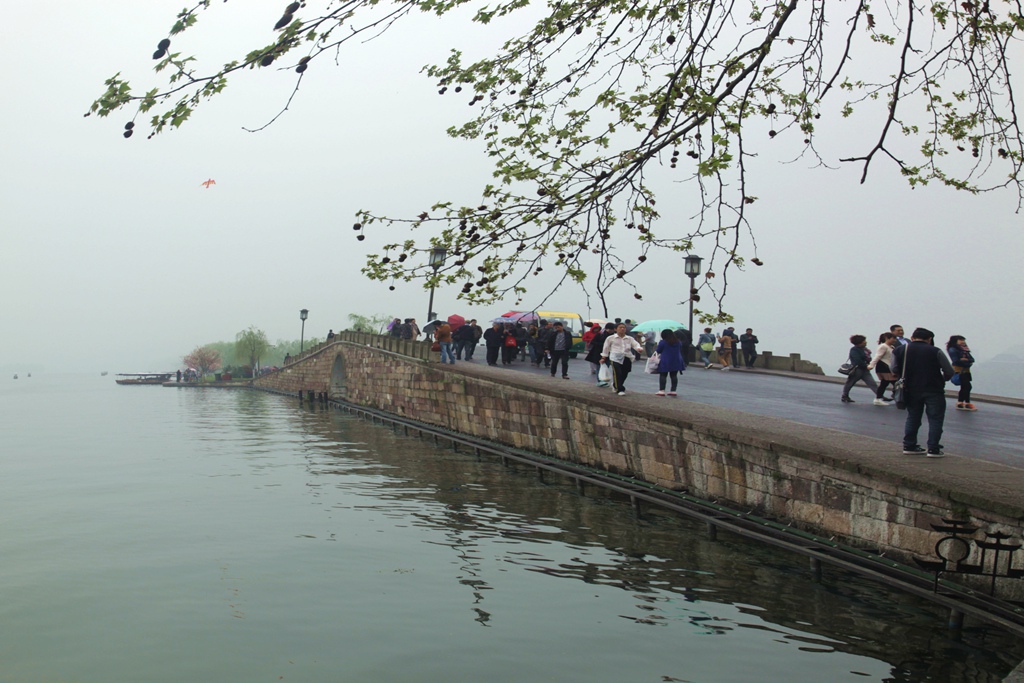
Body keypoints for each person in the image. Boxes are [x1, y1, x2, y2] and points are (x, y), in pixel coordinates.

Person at [893, 327, 955, 457]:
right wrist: (943, 379)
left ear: (912, 338)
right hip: (934, 389)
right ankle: (933, 448)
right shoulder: (935, 351)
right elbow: (949, 370)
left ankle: (909, 445)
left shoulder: (900, 350)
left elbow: (893, 368)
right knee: (935, 419)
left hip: (910, 389)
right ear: (929, 339)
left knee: (913, 417)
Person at [601, 323, 644, 395]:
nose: (622, 329)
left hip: (626, 357)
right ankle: (620, 389)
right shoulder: (610, 338)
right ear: (615, 329)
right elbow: (606, 348)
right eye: (620, 327)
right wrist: (603, 357)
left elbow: (635, 344)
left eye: (624, 327)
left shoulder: (629, 338)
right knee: (617, 372)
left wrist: (639, 349)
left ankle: (615, 384)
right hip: (615, 357)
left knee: (625, 373)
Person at [841, 334, 879, 402]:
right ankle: (845, 395)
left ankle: (880, 395)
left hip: (865, 370)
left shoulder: (864, 350)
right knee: (850, 383)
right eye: (864, 341)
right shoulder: (854, 350)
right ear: (860, 342)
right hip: (857, 370)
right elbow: (857, 360)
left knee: (872, 383)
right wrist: (866, 365)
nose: (866, 342)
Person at [868, 332, 898, 406]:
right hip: (884, 367)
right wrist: (871, 365)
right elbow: (878, 356)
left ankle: (879, 398)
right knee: (890, 383)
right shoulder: (883, 346)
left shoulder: (891, 347)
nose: (895, 340)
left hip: (889, 367)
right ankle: (878, 399)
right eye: (893, 338)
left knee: (886, 383)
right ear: (887, 338)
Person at [947, 335, 977, 411]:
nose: (963, 341)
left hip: (966, 371)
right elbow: (956, 361)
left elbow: (972, 359)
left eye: (963, 340)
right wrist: (966, 361)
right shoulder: (953, 349)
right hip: (960, 371)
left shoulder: (964, 350)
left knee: (964, 387)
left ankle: (961, 403)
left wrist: (965, 360)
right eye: (960, 340)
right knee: (967, 386)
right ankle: (966, 403)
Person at [654, 329, 686, 396]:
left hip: (665, 360)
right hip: (677, 360)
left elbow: (658, 351)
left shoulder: (663, 342)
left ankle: (662, 390)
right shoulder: (678, 342)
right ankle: (673, 390)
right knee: (674, 375)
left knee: (663, 375)